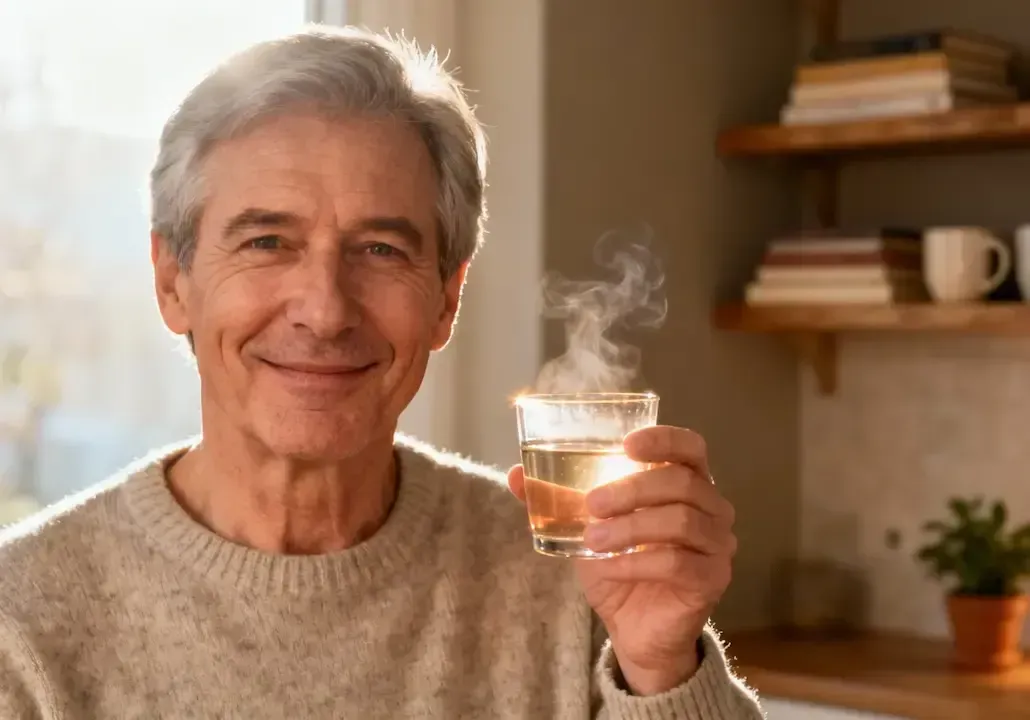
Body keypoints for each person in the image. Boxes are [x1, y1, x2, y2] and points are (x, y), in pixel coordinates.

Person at [0, 26, 762, 718]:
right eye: (267, 242)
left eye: (381, 250)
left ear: (446, 300)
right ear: (173, 284)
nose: (326, 310)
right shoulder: (22, 623)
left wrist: (663, 665)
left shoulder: (575, 585)